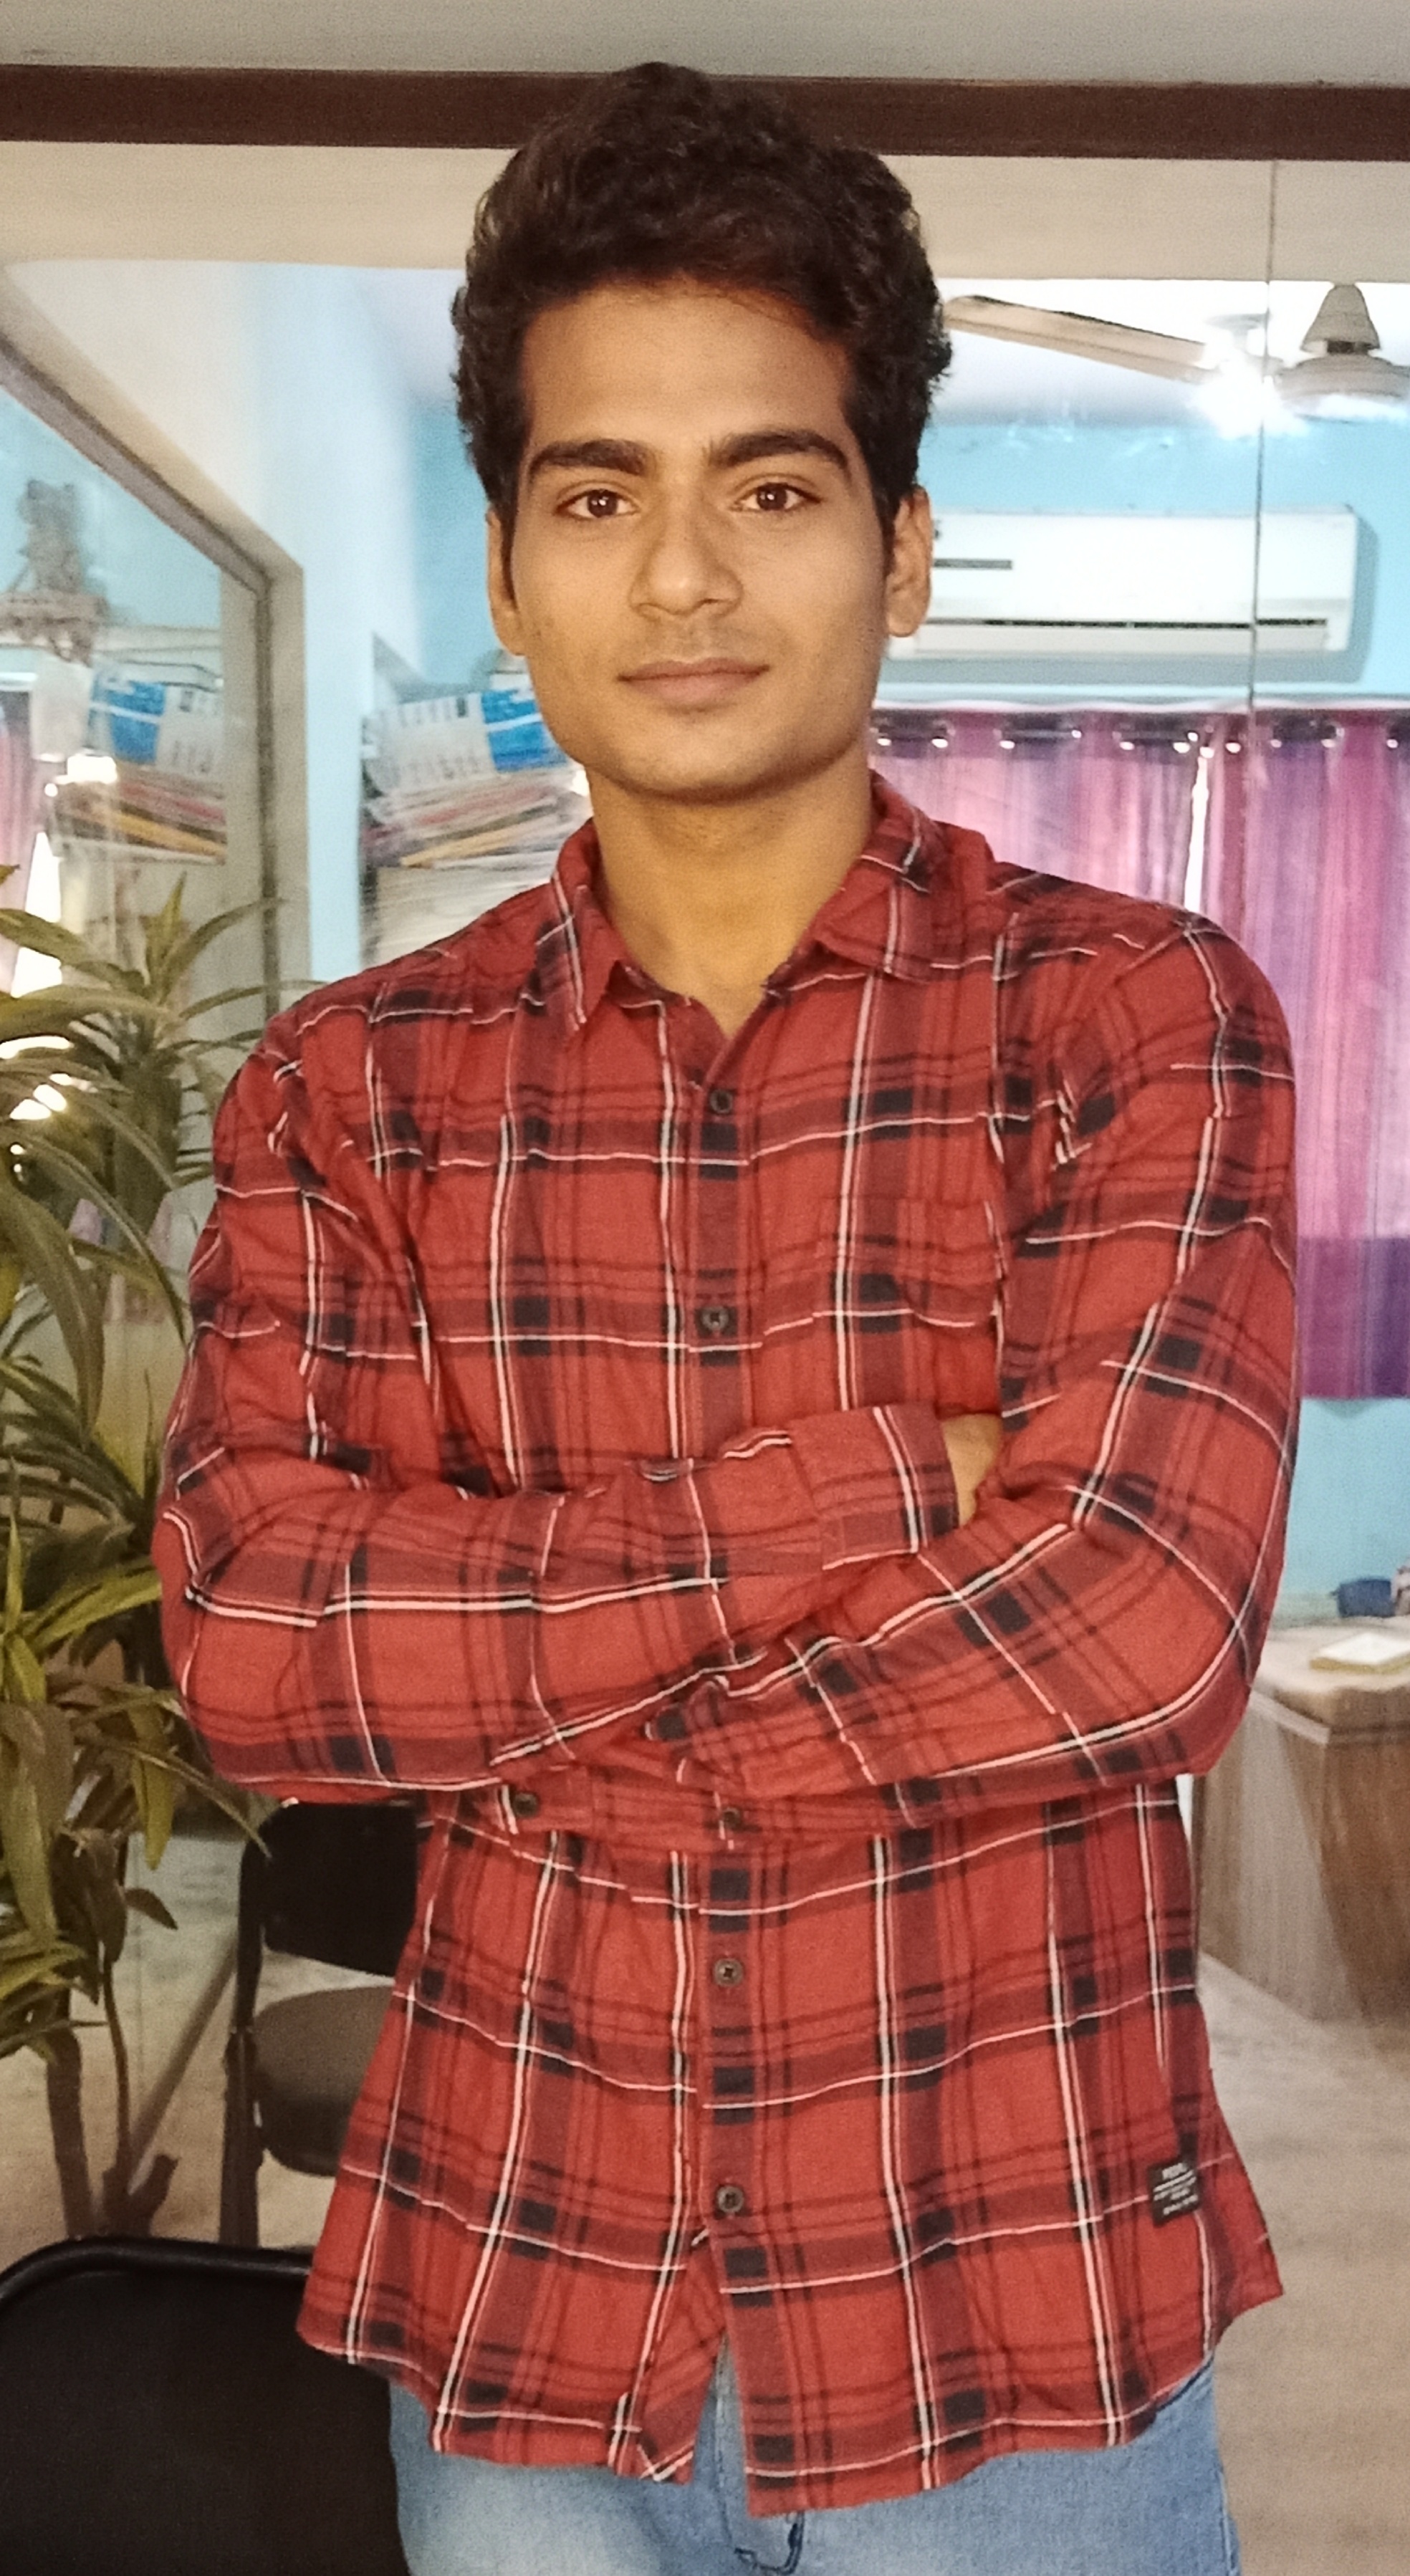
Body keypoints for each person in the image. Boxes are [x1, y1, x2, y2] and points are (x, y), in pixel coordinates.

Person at [154, 61, 1296, 2576]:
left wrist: (514, 1684)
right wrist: (875, 1493)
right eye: (600, 495)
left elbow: (1140, 1626)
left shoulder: (1138, 1019)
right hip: (525, 2283)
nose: (682, 576)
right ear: (506, 567)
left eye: (770, 488)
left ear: (903, 549)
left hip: (1010, 2296)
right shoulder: (354, 1086)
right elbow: (252, 1642)